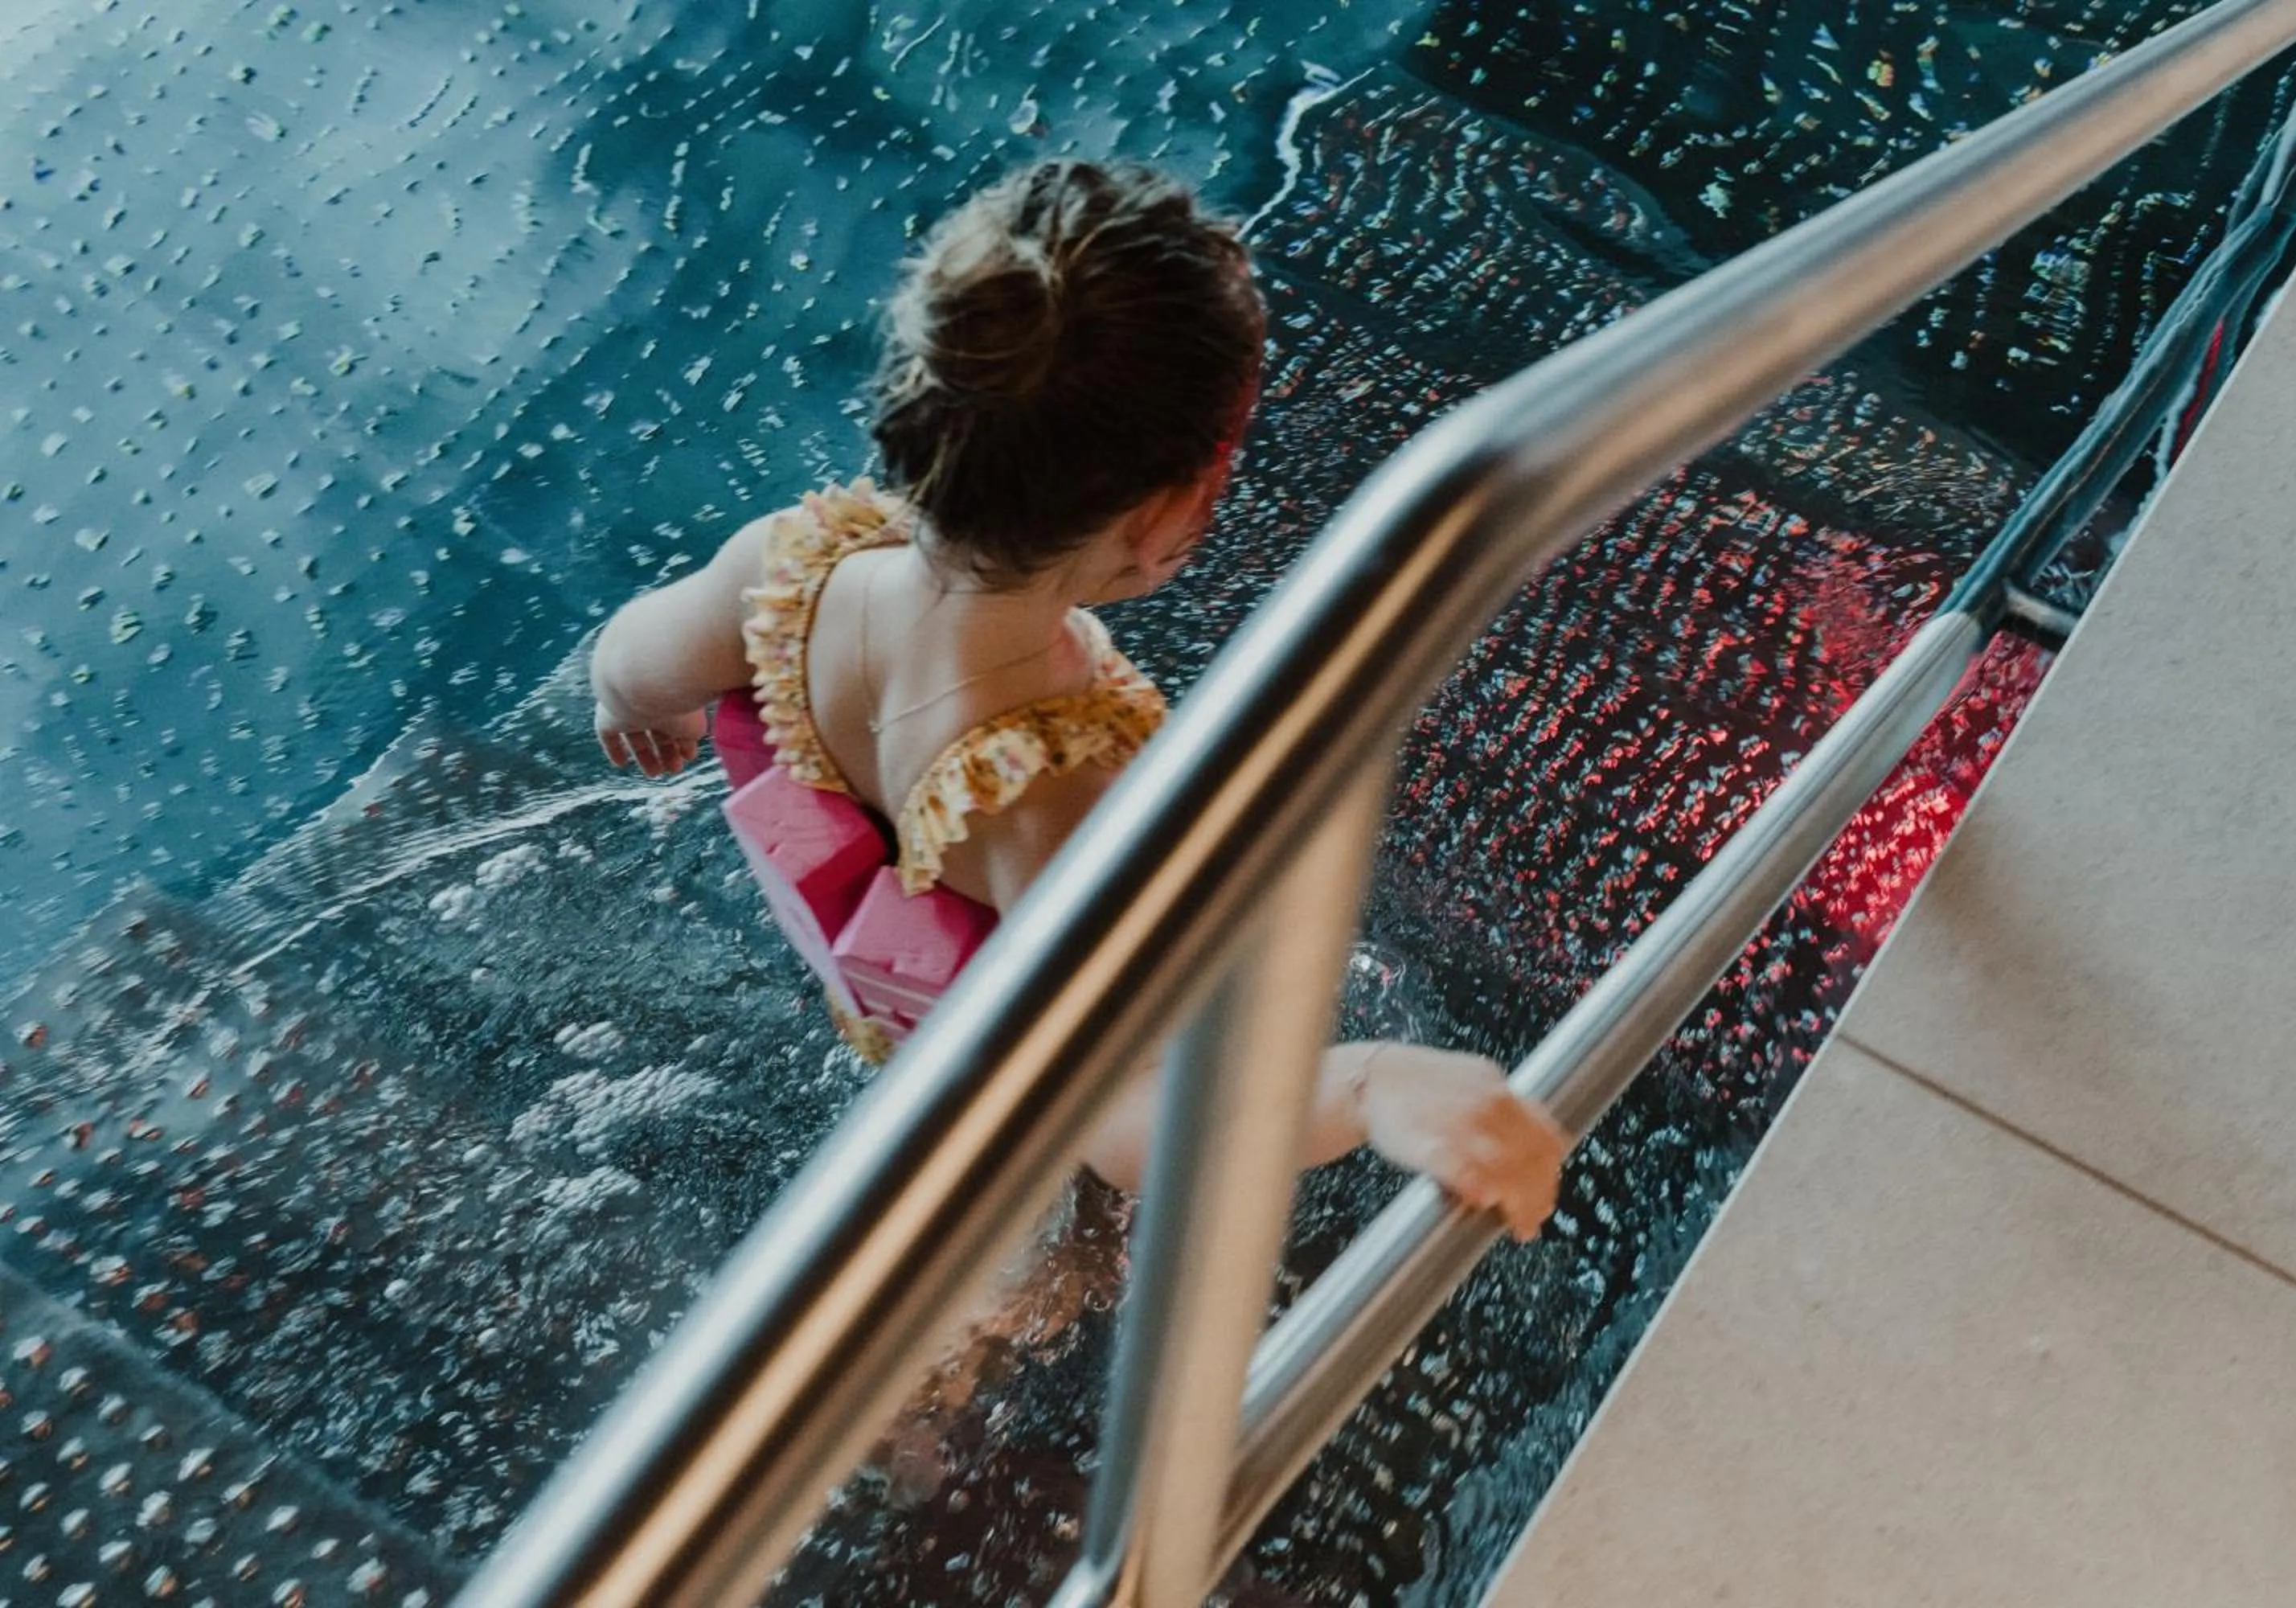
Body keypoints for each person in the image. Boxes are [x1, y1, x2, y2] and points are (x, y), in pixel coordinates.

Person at [589, 158, 1568, 1241]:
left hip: (912, 1011)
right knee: (1047, 1262)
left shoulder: (791, 566)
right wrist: (1370, 1085)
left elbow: (630, 666)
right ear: (1163, 517)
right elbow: (1124, 1122)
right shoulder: (1058, 792)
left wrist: (655, 715)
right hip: (1025, 1105)